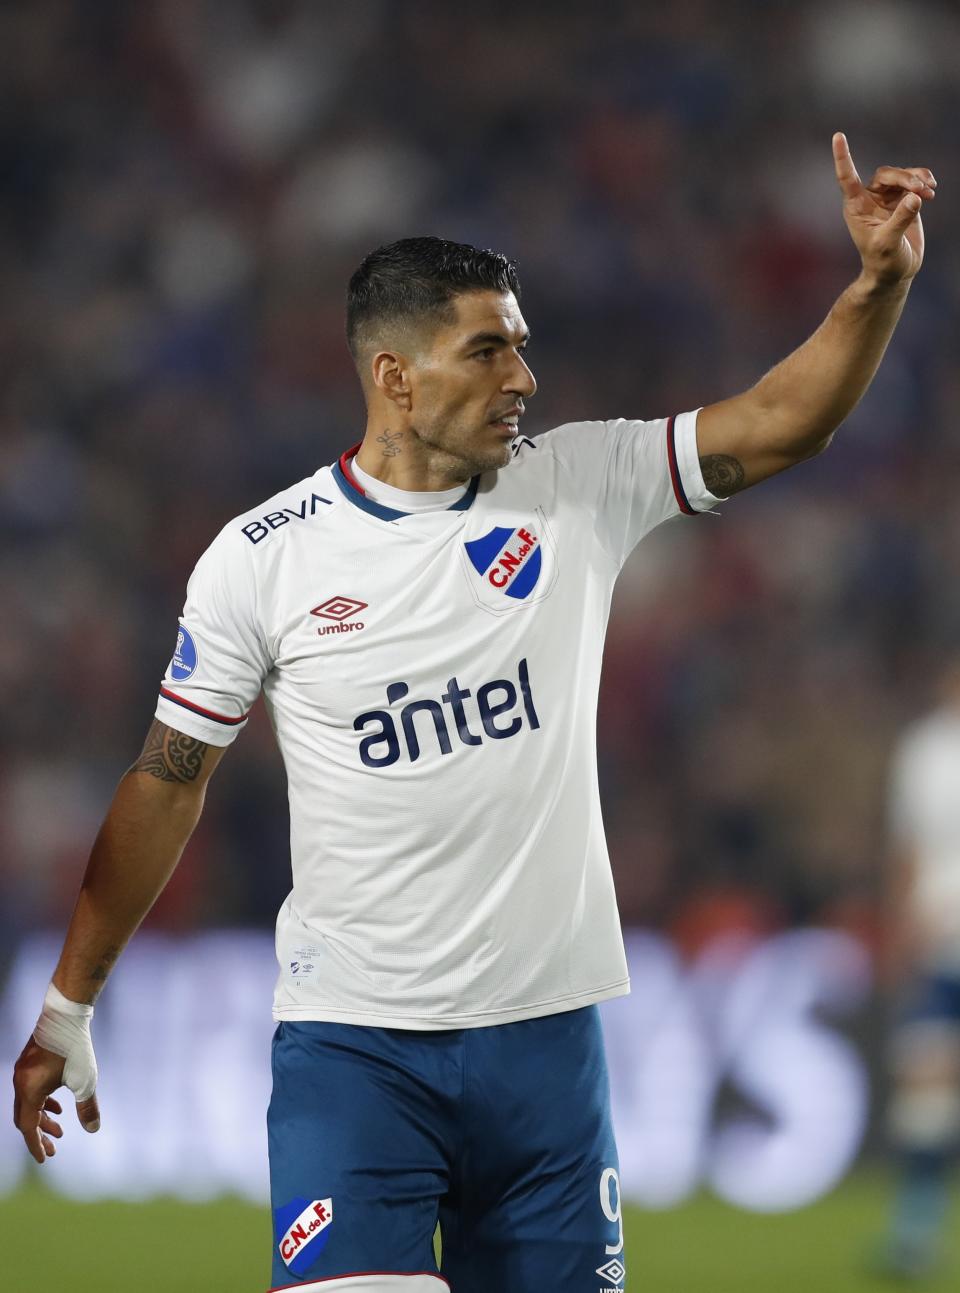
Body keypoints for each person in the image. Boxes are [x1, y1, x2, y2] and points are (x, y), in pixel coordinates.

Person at [12, 134, 935, 1292]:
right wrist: (66, 1006)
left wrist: (878, 285)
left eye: (525, 348)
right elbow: (165, 779)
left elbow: (778, 421)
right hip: (356, 1058)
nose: (524, 380)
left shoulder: (578, 485)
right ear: (395, 375)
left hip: (546, 1056)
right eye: (488, 350)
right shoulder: (262, 560)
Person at [877, 661, 960, 1278]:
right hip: (940, 939)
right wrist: (901, 926)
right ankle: (912, 1235)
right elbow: (906, 846)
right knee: (927, 1092)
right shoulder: (926, 749)